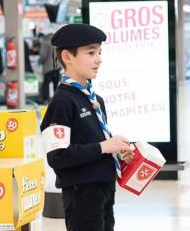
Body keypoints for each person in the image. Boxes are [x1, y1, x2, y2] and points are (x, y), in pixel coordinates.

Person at [40, 24, 134, 231]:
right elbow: (57, 156)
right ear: (67, 56)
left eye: (99, 52)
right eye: (91, 52)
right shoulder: (62, 102)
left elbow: (90, 142)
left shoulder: (94, 99)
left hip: (105, 188)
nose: (98, 59)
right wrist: (103, 147)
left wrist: (117, 152)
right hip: (81, 193)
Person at [38, 33, 61, 104]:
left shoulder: (45, 43)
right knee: (56, 84)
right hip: (57, 67)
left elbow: (43, 55)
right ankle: (57, 100)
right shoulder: (57, 43)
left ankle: (45, 100)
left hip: (49, 67)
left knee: (46, 84)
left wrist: (39, 62)